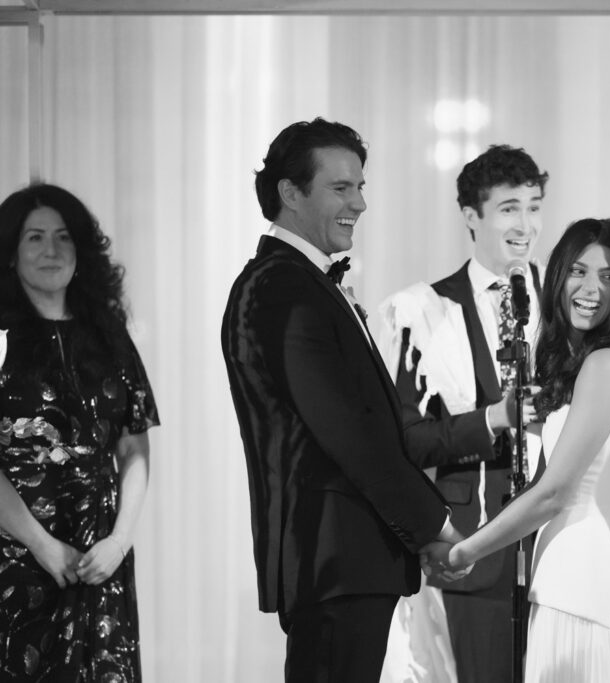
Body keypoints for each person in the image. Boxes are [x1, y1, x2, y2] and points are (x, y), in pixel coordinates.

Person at [221, 118, 462, 682]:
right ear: (290, 192)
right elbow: (349, 433)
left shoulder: (299, 282)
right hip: (332, 558)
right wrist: (435, 526)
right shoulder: (282, 285)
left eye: (361, 186)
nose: (360, 202)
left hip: (346, 560)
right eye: (341, 188)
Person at [422, 218, 610, 682]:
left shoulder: (605, 364)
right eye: (579, 271)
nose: (591, 288)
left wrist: (463, 552)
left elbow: (555, 493)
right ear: (558, 275)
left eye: (609, 276)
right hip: (580, 582)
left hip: (583, 587)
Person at [378, 144, 547, 682]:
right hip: (475, 546)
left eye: (534, 206)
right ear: (471, 217)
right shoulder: (421, 311)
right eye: (509, 208)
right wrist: (493, 419)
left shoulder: (564, 299)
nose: (526, 224)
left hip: (559, 541)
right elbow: (403, 440)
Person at [0, 183, 158, 681]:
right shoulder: (1, 337)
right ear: (9, 254)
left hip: (100, 562)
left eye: (64, 237)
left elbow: (134, 445)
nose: (51, 250)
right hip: (18, 561)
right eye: (35, 238)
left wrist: (119, 542)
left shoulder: (108, 334)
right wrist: (44, 547)